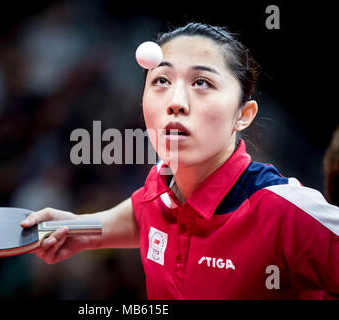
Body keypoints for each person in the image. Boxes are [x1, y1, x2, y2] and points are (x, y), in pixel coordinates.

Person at [20, 22, 339, 299]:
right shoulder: (161, 186)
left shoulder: (284, 212)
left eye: (202, 83)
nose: (176, 102)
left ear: (243, 115)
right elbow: (147, 215)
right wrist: (81, 230)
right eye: (161, 80)